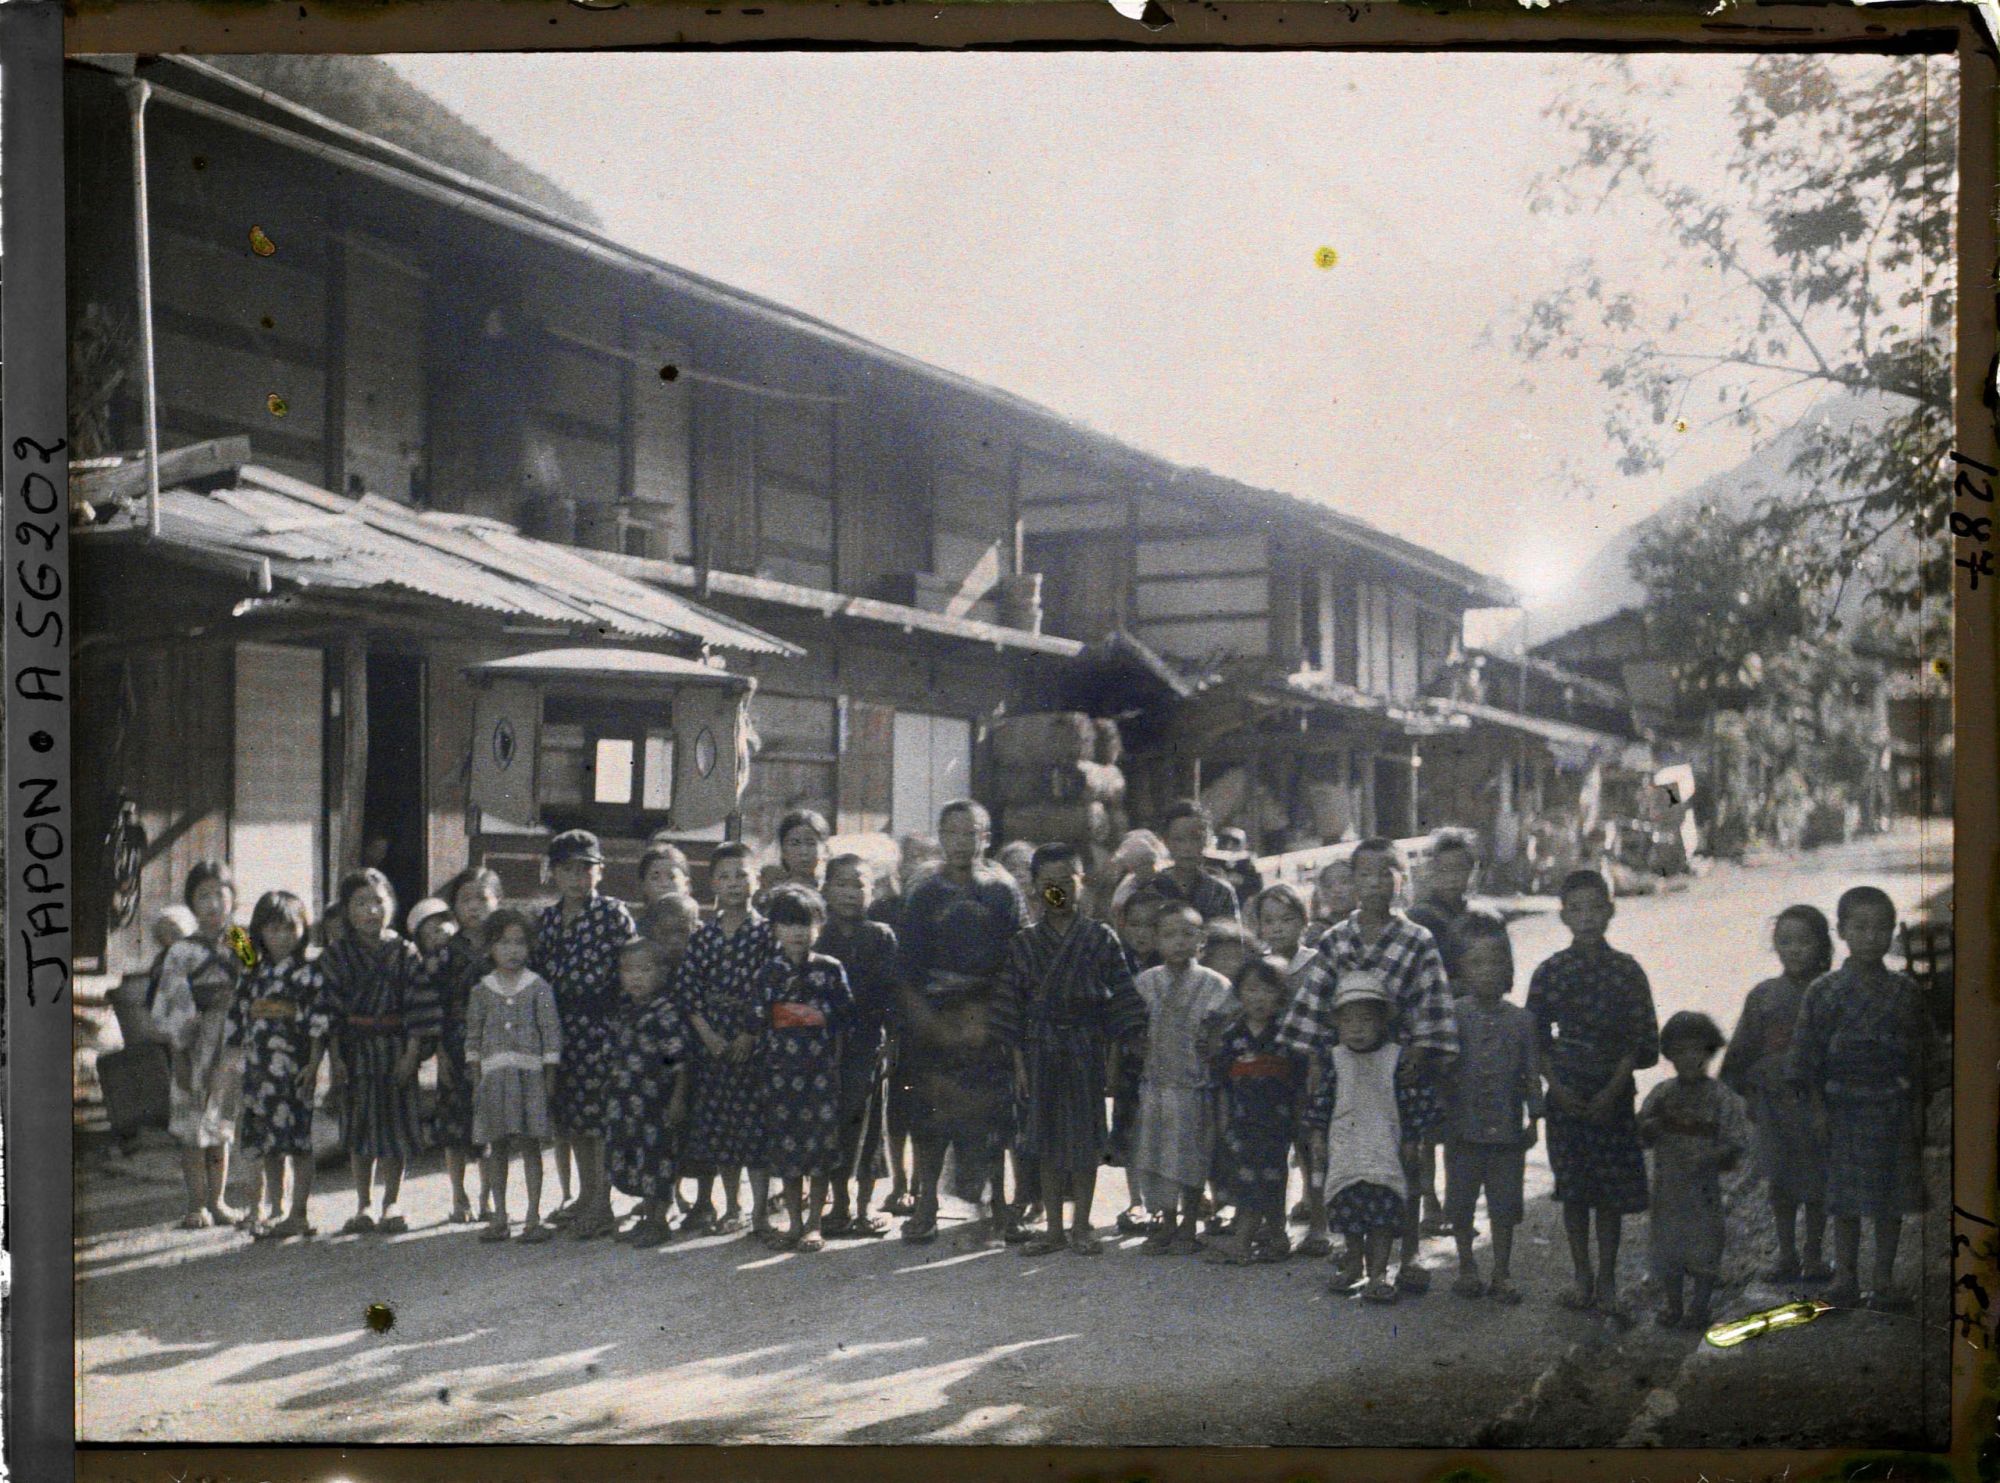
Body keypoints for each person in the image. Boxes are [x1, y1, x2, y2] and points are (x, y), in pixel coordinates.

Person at [1277, 838, 1457, 1295]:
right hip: (1350, 1064)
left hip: (1399, 1065)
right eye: (1365, 874)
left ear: (1403, 878)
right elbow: (1317, 1006)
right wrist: (1320, 1058)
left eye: (1386, 873)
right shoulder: (1336, 939)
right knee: (1353, 1161)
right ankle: (1353, 1250)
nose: (1376, 883)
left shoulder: (1417, 938)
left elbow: (1431, 1002)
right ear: (1351, 881)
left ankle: (1410, 1250)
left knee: (1408, 1158)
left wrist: (1419, 1051)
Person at [1786, 885, 1937, 1312]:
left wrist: (1918, 1112)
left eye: (1881, 928)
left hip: (1891, 1107)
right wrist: (1816, 1110)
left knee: (1890, 1201)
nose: (1871, 936)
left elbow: (1922, 1059)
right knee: (1845, 1199)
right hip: (1842, 1110)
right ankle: (1845, 1277)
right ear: (1842, 931)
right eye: (1860, 927)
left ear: (1892, 933)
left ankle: (1884, 1281)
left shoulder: (1905, 992)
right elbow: (1805, 1059)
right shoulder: (1824, 991)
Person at [995, 843, 1149, 1256]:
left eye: (1066, 883)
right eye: (1048, 885)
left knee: (1084, 1138)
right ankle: (1053, 1229)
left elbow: (1122, 1005)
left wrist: (1114, 1063)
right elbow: (1009, 1010)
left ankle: (1082, 1224)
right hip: (1040, 1046)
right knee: (1044, 1139)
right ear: (1035, 889)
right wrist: (1019, 1065)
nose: (1057, 892)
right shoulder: (1024, 944)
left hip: (1087, 1046)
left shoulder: (1100, 938)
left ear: (1081, 883)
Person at [1526, 868, 1660, 1323]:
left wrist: (1613, 1088)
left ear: (1610, 910)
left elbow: (1640, 1041)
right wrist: (1556, 1088)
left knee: (1608, 1194)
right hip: (1567, 1094)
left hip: (1613, 1093)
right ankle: (1582, 1276)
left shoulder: (1626, 971)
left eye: (1594, 908)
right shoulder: (1551, 971)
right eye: (1576, 909)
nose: (1586, 918)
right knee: (1576, 1191)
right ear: (1563, 915)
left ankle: (1607, 1279)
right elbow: (1536, 1038)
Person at [895, 800, 1027, 1245]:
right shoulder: (923, 890)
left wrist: (996, 1018)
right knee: (928, 1114)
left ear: (986, 838)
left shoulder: (1003, 889)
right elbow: (908, 966)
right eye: (951, 833)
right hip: (933, 1015)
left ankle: (1001, 1205)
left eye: (971, 833)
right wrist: (926, 1021)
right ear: (940, 835)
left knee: (993, 1115)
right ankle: (925, 1204)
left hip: (987, 1016)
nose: (960, 843)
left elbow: (1016, 955)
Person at [1721, 904, 1835, 1283]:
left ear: (1822, 945)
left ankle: (1814, 1255)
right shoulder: (1765, 995)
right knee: (1782, 1183)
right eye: (1785, 940)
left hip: (1820, 1104)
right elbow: (1740, 1053)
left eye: (1804, 940)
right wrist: (1750, 1087)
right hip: (1775, 1106)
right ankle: (1786, 1254)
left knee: (1818, 1183)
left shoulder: (1832, 993)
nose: (1794, 949)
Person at [532, 830, 636, 1242]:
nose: (578, 878)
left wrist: (625, 1029)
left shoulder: (613, 914)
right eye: (568, 870)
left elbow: (631, 971)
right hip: (561, 1029)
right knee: (572, 1120)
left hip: (602, 1028)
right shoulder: (549, 919)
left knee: (598, 1122)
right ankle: (586, 1194)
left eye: (586, 869)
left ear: (600, 873)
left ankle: (602, 1203)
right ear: (553, 874)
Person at [1307, 970, 1428, 1304]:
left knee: (1381, 1215)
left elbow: (1411, 1104)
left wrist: (1411, 1140)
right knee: (1349, 1210)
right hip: (1346, 1147)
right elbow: (1322, 1101)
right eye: (1349, 1021)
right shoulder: (1336, 1059)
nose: (1357, 1029)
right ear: (1338, 1025)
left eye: (1365, 1020)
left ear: (1381, 1022)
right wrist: (1317, 1134)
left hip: (1383, 1148)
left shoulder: (1394, 1058)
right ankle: (1353, 1263)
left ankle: (1378, 1272)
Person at [322, 867, 430, 1236]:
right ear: (347, 909)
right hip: (354, 1052)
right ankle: (364, 1203)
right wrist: (334, 1059)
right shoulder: (337, 955)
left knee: (396, 1126)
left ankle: (393, 1201)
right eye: (361, 903)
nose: (371, 911)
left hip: (396, 1048)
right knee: (359, 1126)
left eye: (378, 902)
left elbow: (420, 1007)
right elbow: (331, 1012)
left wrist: (412, 1054)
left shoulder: (405, 952)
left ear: (392, 904)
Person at [1442, 910, 1542, 1304]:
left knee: (1504, 1204)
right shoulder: (1454, 1015)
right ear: (1462, 970)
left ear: (1509, 969)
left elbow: (1532, 1072)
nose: (1487, 971)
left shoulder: (1521, 1021)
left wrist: (1535, 1117)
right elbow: (1444, 1069)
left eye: (1496, 962)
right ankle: (1467, 1265)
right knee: (1461, 1201)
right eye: (1476, 963)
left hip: (1506, 1130)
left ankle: (1502, 1271)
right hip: (1462, 1129)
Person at [225, 890, 331, 1240]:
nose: (282, 936)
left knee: (297, 1142)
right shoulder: (253, 970)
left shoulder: (309, 972)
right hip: (258, 1072)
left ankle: (299, 1213)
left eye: (290, 928)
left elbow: (319, 1022)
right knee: (268, 1143)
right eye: (273, 929)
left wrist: (314, 1065)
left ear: (304, 929)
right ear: (260, 931)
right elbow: (238, 1014)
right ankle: (276, 1208)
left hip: (294, 1072)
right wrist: (233, 1060)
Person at [683, 841, 776, 1237]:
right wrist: (707, 1035)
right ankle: (732, 1206)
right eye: (725, 876)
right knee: (722, 1127)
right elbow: (689, 990)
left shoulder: (767, 933)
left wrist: (749, 1034)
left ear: (756, 879)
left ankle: (760, 1212)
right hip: (713, 1045)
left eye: (742, 874)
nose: (734, 883)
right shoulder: (702, 935)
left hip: (752, 1042)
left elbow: (771, 988)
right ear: (712, 884)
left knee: (754, 1127)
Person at [1133, 902, 1237, 1254]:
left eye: (1186, 934)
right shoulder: (1145, 984)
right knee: (1159, 1157)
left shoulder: (1217, 986)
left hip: (1196, 1086)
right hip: (1157, 1085)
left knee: (1192, 1155)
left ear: (1201, 940)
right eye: (1169, 934)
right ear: (1156, 940)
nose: (1178, 941)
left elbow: (1228, 1037)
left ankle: (1191, 1224)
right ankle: (1166, 1222)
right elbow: (1134, 1033)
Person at [150, 861, 249, 1229]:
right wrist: (185, 1041)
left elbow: (255, 984)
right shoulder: (181, 951)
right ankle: (196, 1205)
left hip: (233, 1039)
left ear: (233, 899)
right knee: (191, 1125)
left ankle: (219, 1201)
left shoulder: (242, 941)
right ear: (191, 903)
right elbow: (172, 1000)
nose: (212, 904)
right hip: (194, 1043)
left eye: (219, 894)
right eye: (202, 895)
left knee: (222, 1123)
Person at [757, 884, 855, 1252]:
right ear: (775, 929)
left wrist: (796, 1015)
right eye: (789, 924)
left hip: (820, 1074)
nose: (798, 932)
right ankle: (793, 1222)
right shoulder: (769, 972)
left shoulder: (830, 970)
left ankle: (814, 1223)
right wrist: (809, 1016)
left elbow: (846, 1015)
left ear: (819, 926)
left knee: (818, 1150)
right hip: (780, 1074)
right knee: (788, 1149)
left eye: (806, 924)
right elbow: (761, 1016)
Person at [1638, 1010, 1748, 1330]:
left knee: (1705, 1247)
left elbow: (1736, 1142)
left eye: (1699, 1050)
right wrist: (1649, 1125)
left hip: (1704, 1189)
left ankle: (1699, 1308)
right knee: (1667, 1248)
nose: (1691, 1058)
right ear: (1669, 1055)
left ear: (1710, 1052)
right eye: (1682, 1051)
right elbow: (1640, 1132)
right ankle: (1674, 1307)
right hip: (1667, 1187)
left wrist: (1712, 1156)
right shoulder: (1661, 1093)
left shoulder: (1721, 1097)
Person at [466, 908, 562, 1243]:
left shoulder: (539, 988)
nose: (512, 950)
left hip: (529, 1079)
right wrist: (476, 1075)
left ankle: (533, 1216)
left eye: (520, 942)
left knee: (531, 1146)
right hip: (494, 1080)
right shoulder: (481, 991)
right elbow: (473, 1037)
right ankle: (500, 1216)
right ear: (490, 947)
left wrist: (549, 1075)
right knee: (497, 1148)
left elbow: (550, 1033)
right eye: (504, 942)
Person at [1251, 882, 1336, 1257]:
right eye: (1269, 921)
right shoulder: (1259, 966)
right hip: (1270, 1069)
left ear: (1303, 920)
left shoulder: (1315, 963)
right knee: (1272, 1147)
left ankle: (1319, 1223)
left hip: (1308, 1067)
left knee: (1310, 1144)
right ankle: (1275, 1227)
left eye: (1286, 919)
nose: (1278, 928)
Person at [1203, 956, 1304, 1265]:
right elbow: (1221, 1083)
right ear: (1240, 993)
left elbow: (1299, 1083)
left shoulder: (1286, 1034)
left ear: (1280, 995)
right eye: (1251, 989)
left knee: (1272, 1177)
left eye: (1267, 990)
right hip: (1241, 1122)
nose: (1259, 998)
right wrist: (1220, 1120)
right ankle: (1271, 1237)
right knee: (1247, 1178)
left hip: (1277, 1121)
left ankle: (1250, 1241)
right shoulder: (1232, 1037)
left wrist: (1301, 1123)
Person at [817, 855, 898, 1238]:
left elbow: (892, 993)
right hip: (825, 1045)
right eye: (842, 884)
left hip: (868, 1042)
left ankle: (864, 1208)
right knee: (833, 1121)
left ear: (872, 891)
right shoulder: (819, 935)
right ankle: (839, 1205)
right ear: (827, 889)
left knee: (868, 1124)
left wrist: (891, 1037)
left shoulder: (880, 936)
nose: (851, 893)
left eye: (859, 885)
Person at [417, 868, 502, 1225]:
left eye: (482, 898)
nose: (474, 907)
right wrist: (438, 1050)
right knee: (455, 1125)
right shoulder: (445, 953)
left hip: (499, 1043)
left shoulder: (505, 947)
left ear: (497, 902)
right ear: (454, 906)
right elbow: (432, 1003)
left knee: (493, 1124)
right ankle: (458, 1195)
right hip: (455, 1043)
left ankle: (488, 1196)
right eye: (465, 899)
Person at [1407, 829, 1480, 1233]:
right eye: (1445, 867)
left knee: (1459, 1120)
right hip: (1430, 1026)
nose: (1454, 876)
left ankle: (1456, 1201)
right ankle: (1428, 1200)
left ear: (1473, 871)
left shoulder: (1479, 918)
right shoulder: (1420, 919)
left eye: (1462, 868)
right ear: (1431, 871)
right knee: (1427, 1124)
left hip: (1469, 1028)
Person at [606, 936, 691, 1248]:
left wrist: (678, 1098)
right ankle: (646, 1218)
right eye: (629, 971)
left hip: (657, 1102)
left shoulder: (664, 1012)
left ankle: (659, 1221)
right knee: (635, 1158)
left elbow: (678, 1060)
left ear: (662, 974)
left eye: (644, 970)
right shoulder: (625, 1009)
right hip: (628, 1102)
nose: (636, 977)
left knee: (658, 1161)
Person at [1109, 889, 1168, 1236]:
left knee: (1165, 1126)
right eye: (1134, 924)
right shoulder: (1118, 963)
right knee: (1131, 1126)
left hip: (1167, 1058)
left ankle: (1164, 1200)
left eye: (1151, 924)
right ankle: (1136, 1199)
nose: (1142, 932)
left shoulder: (1169, 964)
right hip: (1131, 1057)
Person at [1142, 799, 1241, 924]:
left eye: (1195, 839)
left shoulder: (1220, 892)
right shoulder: (1152, 890)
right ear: (1166, 841)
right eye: (1179, 839)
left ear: (1207, 840)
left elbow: (1231, 938)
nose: (1187, 847)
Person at [630, 844, 694, 940]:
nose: (664, 884)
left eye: (672, 877)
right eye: (655, 878)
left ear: (686, 884)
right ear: (643, 885)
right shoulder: (633, 932)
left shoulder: (698, 934)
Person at [1305, 859, 1356, 949]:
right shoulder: (1317, 930)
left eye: (1344, 882)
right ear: (1323, 893)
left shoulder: (1371, 921)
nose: (1336, 890)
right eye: (1329, 885)